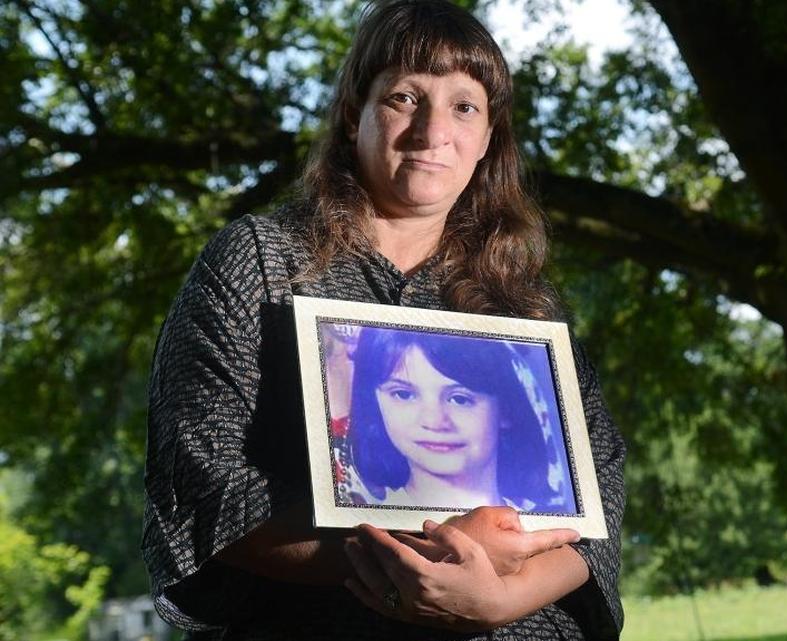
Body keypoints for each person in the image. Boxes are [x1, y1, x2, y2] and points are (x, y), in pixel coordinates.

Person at [141, 0, 625, 639]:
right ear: (353, 117)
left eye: (464, 106)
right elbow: (201, 481)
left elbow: (598, 499)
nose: (432, 131)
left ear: (487, 139)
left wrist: (494, 601)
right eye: (404, 98)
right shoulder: (259, 262)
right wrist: (426, 561)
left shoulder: (522, 303)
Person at [340, 327, 574, 513]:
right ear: (376, 402)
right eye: (403, 394)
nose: (433, 421)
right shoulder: (363, 531)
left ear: (506, 410)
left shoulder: (547, 531)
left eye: (460, 399)